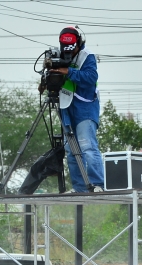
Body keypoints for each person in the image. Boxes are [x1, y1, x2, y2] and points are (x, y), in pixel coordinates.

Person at [49, 26, 105, 193]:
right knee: (71, 151)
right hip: (67, 107)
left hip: (85, 107)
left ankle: (97, 185)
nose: (69, 53)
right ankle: (79, 188)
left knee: (87, 147)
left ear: (78, 43)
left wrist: (68, 71)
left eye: (72, 49)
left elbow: (91, 77)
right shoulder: (58, 55)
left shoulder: (87, 56)